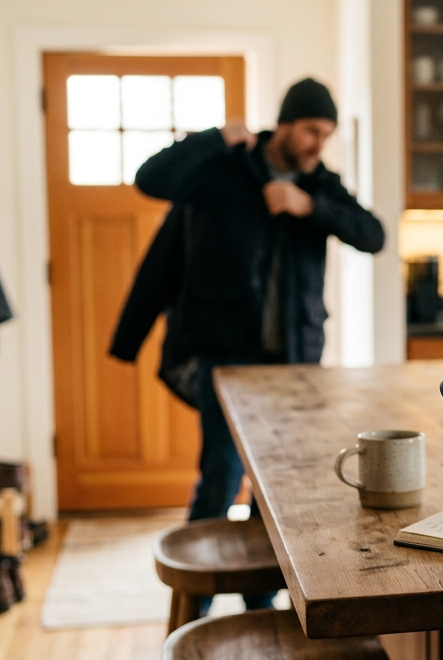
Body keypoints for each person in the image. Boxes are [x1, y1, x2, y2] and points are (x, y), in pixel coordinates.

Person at [111, 78, 384, 610]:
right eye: (311, 131)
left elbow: (373, 235)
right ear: (284, 124)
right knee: (222, 476)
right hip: (226, 357)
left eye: (326, 134)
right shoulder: (224, 167)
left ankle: (260, 610)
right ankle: (192, 607)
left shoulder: (319, 184)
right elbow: (151, 178)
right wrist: (213, 137)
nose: (318, 144)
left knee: (275, 488)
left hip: (293, 362)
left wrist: (309, 207)